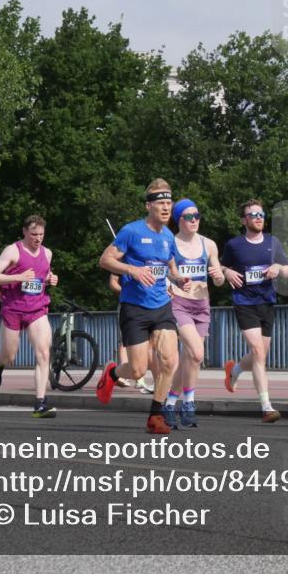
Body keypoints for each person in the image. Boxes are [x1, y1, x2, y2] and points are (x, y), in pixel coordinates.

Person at [96, 180, 186, 434]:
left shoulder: (168, 236)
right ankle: (113, 374)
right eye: (161, 203)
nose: (166, 208)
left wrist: (178, 278)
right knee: (137, 370)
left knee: (170, 360)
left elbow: (169, 266)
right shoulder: (131, 231)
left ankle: (155, 416)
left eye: (169, 203)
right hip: (134, 307)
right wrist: (131, 270)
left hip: (161, 305)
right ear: (149, 206)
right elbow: (105, 260)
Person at [220, 199, 288, 423]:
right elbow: (220, 266)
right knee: (259, 353)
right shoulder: (234, 245)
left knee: (260, 353)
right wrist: (226, 272)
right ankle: (266, 406)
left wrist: (278, 267)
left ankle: (235, 371)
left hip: (267, 302)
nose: (259, 218)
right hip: (244, 302)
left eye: (261, 214)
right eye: (253, 215)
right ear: (244, 220)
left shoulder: (273, 242)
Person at [0, 215, 60, 418]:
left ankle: (40, 403)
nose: (38, 238)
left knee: (44, 353)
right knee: (10, 355)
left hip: (37, 308)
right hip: (13, 308)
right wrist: (17, 277)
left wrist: (50, 279)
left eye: (41, 234)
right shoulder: (13, 250)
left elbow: (42, 276)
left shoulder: (47, 253)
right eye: (34, 234)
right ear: (25, 232)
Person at [164, 199, 225, 429]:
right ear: (178, 220)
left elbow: (217, 277)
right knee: (197, 353)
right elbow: (166, 273)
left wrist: (219, 277)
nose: (194, 220)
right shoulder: (170, 243)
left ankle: (172, 403)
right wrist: (174, 282)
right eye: (189, 217)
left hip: (202, 305)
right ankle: (187, 403)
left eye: (197, 216)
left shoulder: (208, 244)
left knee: (192, 358)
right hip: (179, 303)